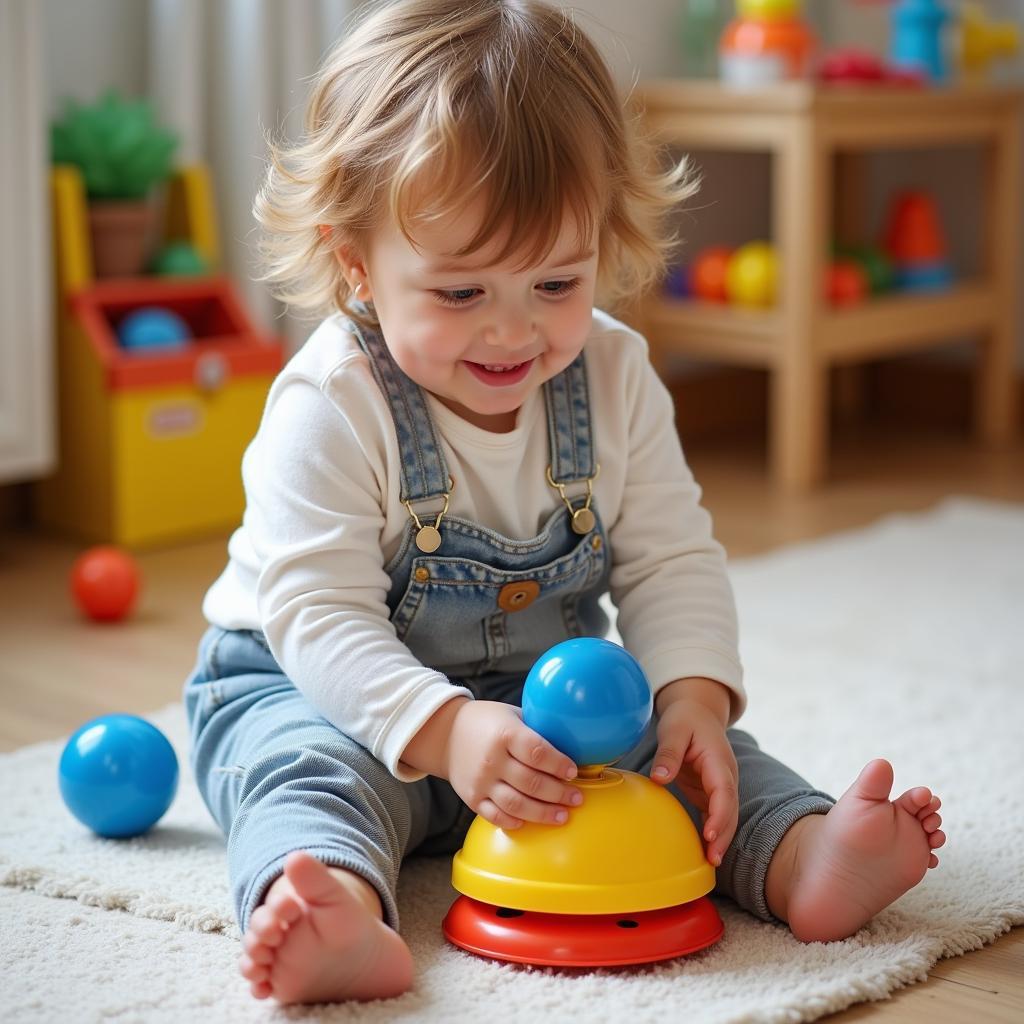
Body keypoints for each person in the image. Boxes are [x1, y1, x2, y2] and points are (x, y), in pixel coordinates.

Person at [184, 0, 945, 1005]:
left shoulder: (617, 376)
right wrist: (445, 733)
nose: (513, 331)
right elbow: (316, 616)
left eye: (555, 281)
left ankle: (801, 855)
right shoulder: (332, 401)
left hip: (546, 711)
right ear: (356, 261)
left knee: (686, 761)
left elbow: (672, 559)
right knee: (304, 777)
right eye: (460, 293)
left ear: (603, 238)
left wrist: (691, 698)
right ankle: (332, 912)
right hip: (319, 686)